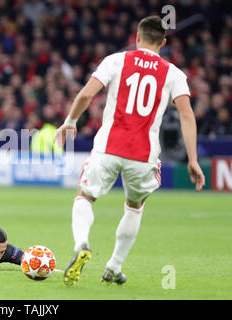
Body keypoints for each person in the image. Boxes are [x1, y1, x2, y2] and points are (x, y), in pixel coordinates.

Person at [54, 16, 206, 286]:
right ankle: (114, 266)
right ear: (163, 43)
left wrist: (70, 122)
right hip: (143, 155)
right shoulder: (173, 73)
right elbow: (186, 115)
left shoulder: (116, 60)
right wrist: (192, 159)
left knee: (86, 196)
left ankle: (81, 244)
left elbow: (87, 94)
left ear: (137, 38)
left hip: (108, 147)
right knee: (135, 207)